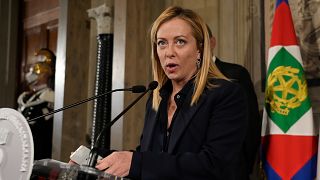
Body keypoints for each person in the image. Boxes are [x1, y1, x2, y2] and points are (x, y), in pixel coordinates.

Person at [95, 6, 248, 179]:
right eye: (162, 43)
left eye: (180, 41)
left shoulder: (226, 95)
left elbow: (214, 165)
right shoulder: (156, 98)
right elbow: (148, 156)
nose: (169, 52)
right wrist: (96, 159)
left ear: (200, 49)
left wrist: (137, 162)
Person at [207, 26, 262, 179]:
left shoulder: (235, 74)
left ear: (212, 42)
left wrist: (244, 166)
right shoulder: (184, 78)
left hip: (232, 170)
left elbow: (251, 124)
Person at [17, 48, 55, 160]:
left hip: (37, 148)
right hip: (22, 145)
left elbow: (45, 127)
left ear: (43, 75)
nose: (29, 75)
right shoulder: (27, 96)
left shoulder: (49, 96)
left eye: (33, 72)